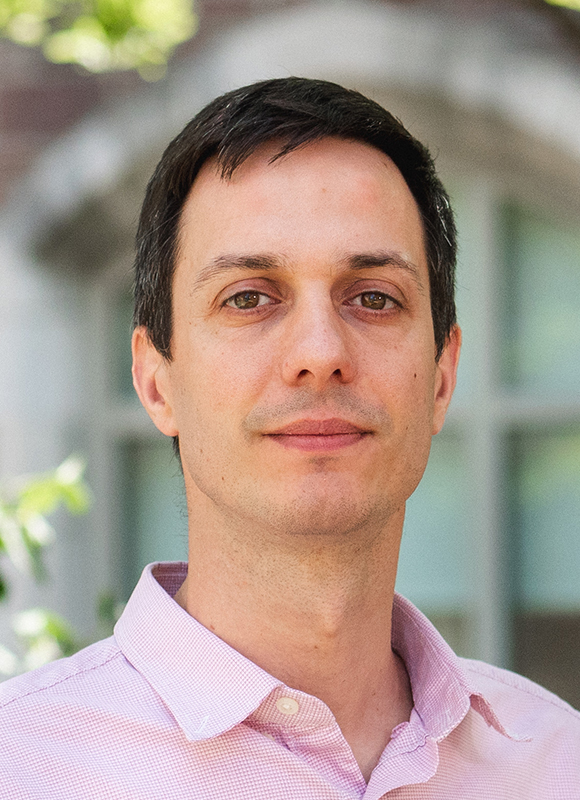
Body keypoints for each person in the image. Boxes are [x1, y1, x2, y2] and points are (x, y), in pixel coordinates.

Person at [1, 77, 579, 799]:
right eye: (248, 297)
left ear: (440, 377)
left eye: (374, 297)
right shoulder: (21, 767)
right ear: (156, 384)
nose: (319, 350)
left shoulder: (558, 764)